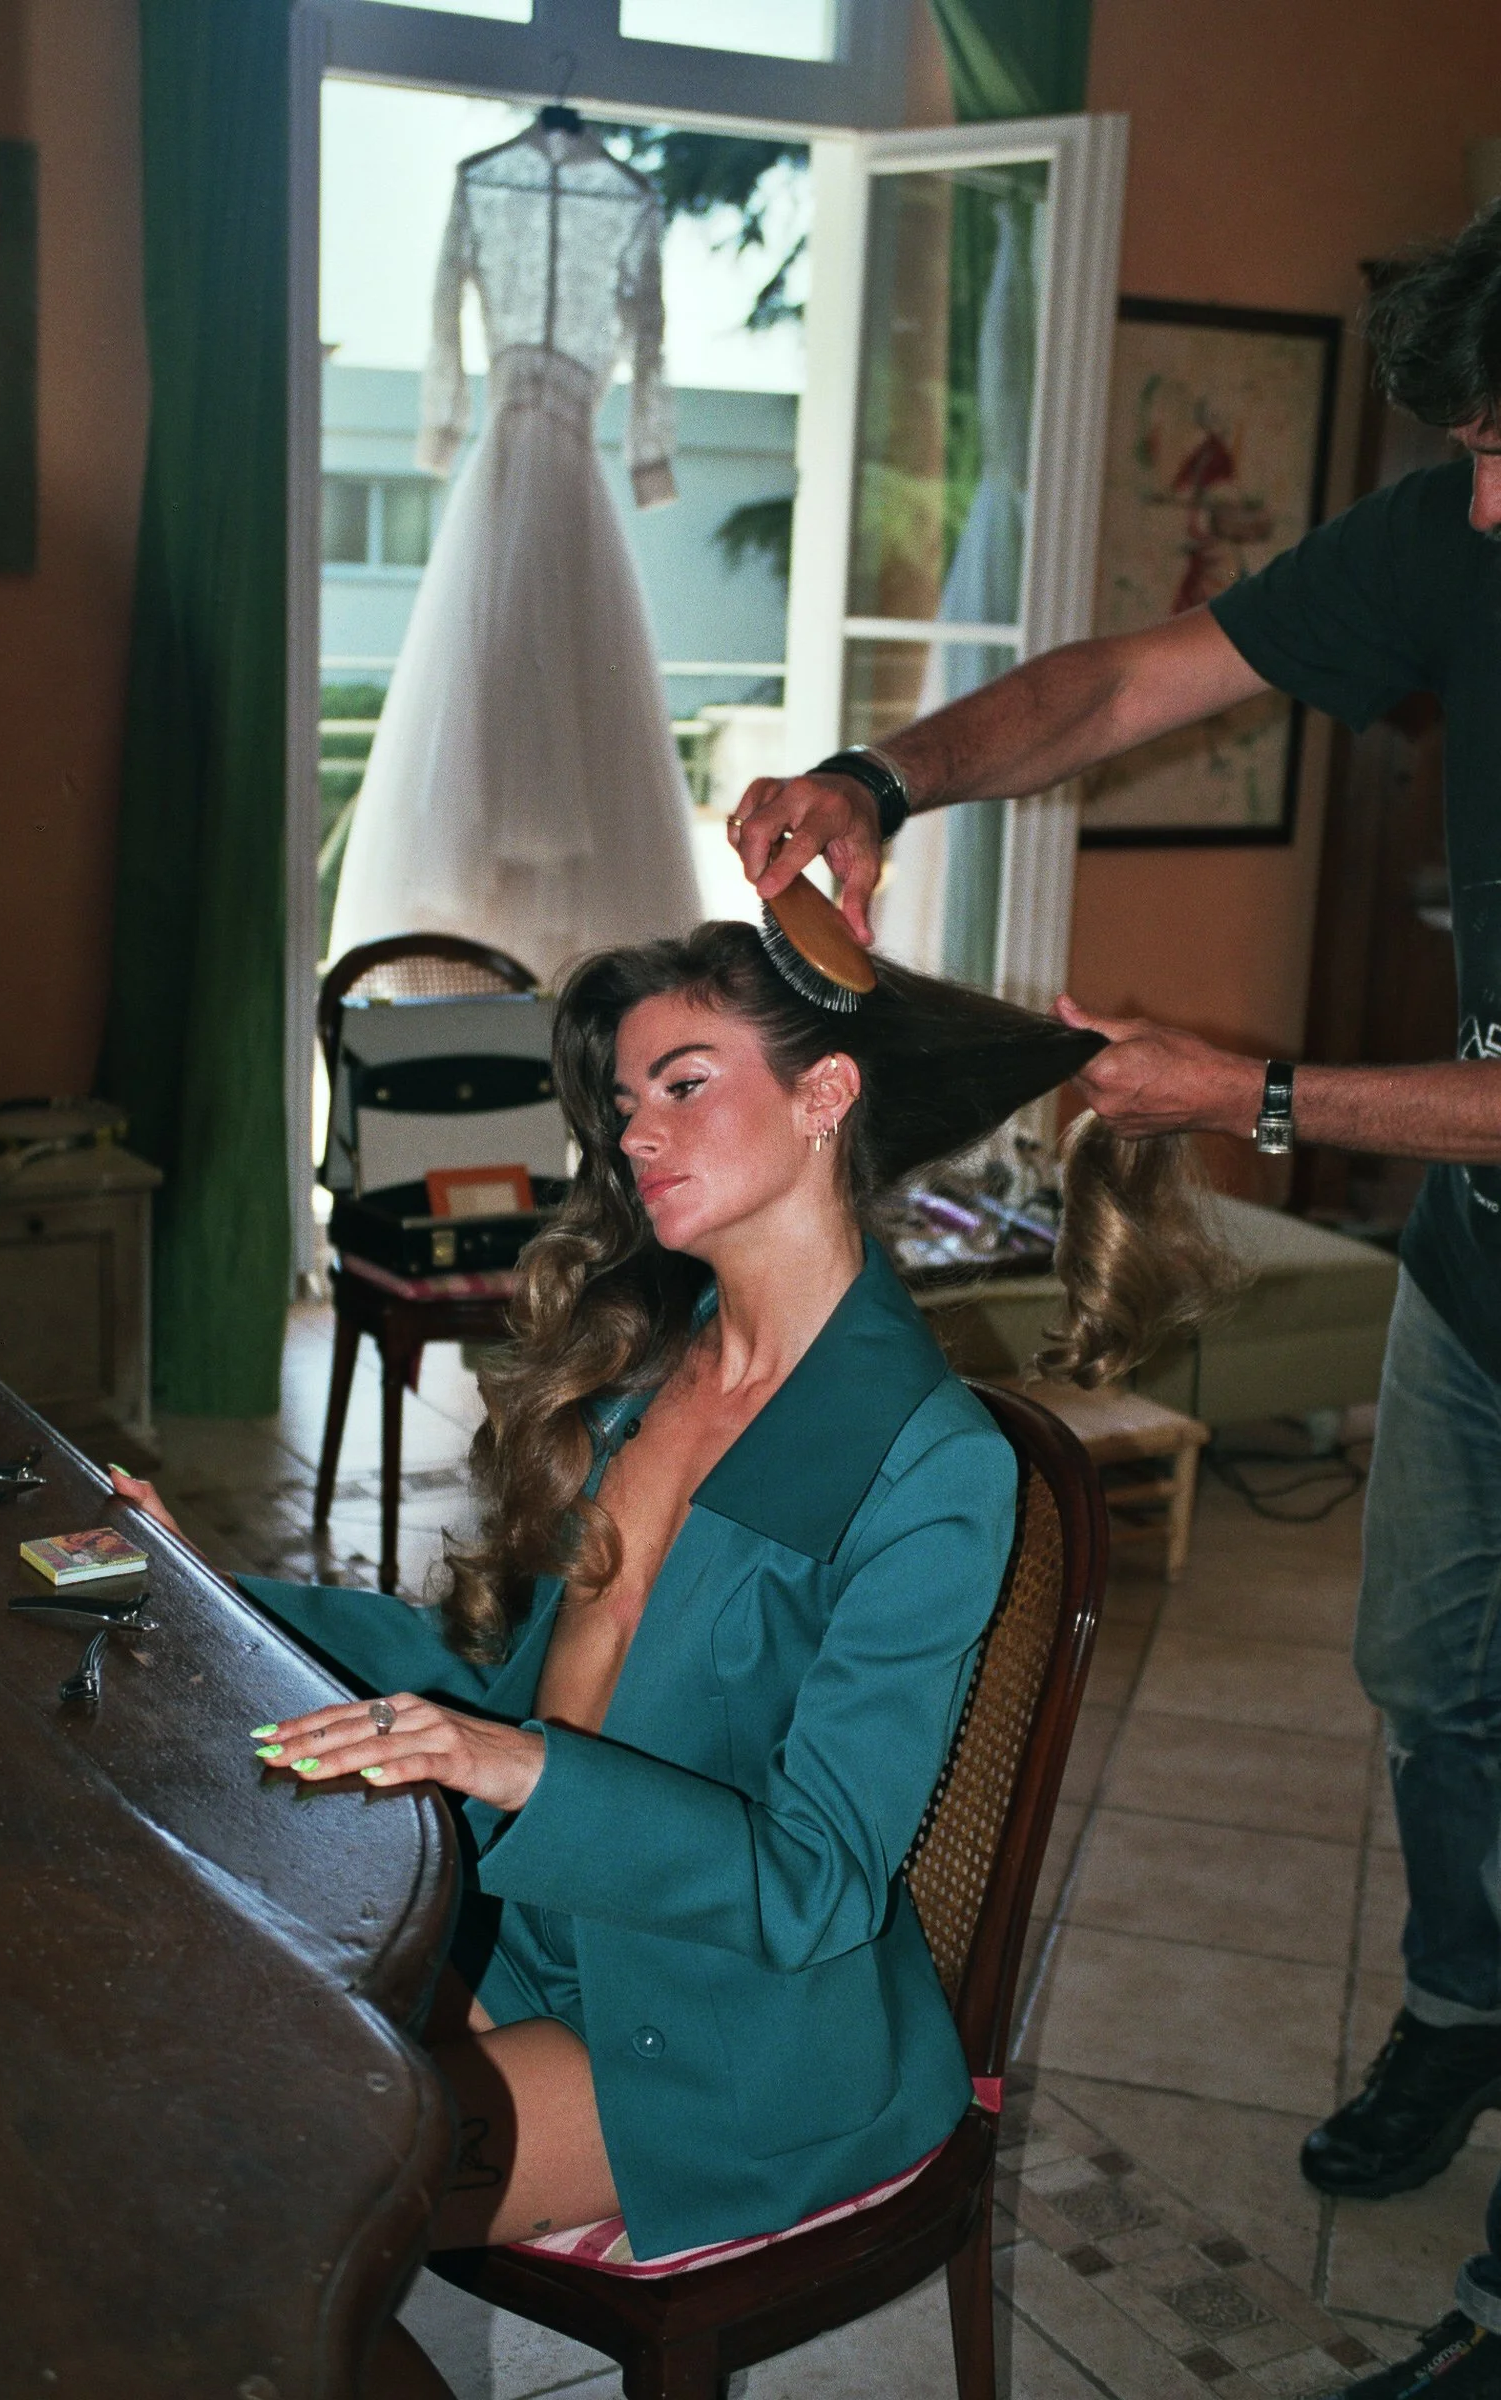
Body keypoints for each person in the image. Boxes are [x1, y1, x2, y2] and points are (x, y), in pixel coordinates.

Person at [728, 201, 1501, 2397]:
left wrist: (1248, 1094)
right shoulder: (1461, 537)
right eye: (1466, 449)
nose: (1477, 503)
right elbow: (1132, 681)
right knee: (1430, 1681)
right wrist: (880, 777)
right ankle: (1462, 2007)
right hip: (1475, 1285)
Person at [120, 922, 1227, 2307]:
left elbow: (818, 1880)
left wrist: (517, 1765)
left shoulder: (931, 1465)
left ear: (826, 1094)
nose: (637, 1132)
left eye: (685, 1084)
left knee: (262, 2202)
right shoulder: (653, 1369)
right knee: (174, 2065)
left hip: (723, 2031)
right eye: (626, 1100)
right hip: (532, 1927)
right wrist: (200, 1590)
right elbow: (491, 1685)